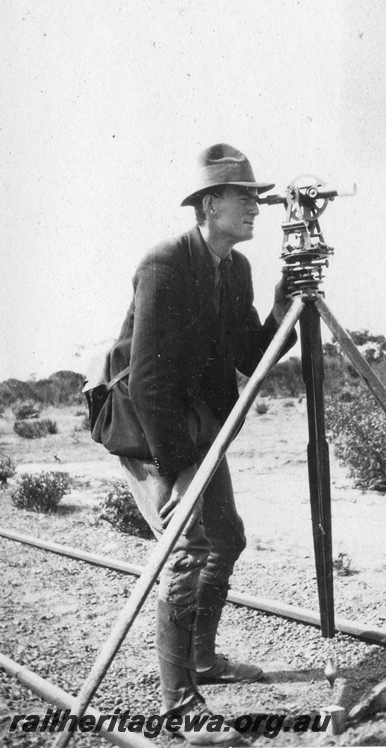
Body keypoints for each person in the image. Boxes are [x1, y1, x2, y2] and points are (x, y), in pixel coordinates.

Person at [109, 144, 296, 744]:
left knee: (228, 537)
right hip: (145, 423)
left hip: (190, 420)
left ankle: (204, 663)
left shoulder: (234, 270)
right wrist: (180, 470)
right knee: (188, 544)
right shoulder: (166, 262)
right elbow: (148, 382)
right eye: (246, 199)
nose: (257, 210)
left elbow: (248, 356)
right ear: (211, 205)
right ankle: (179, 705)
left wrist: (282, 307)